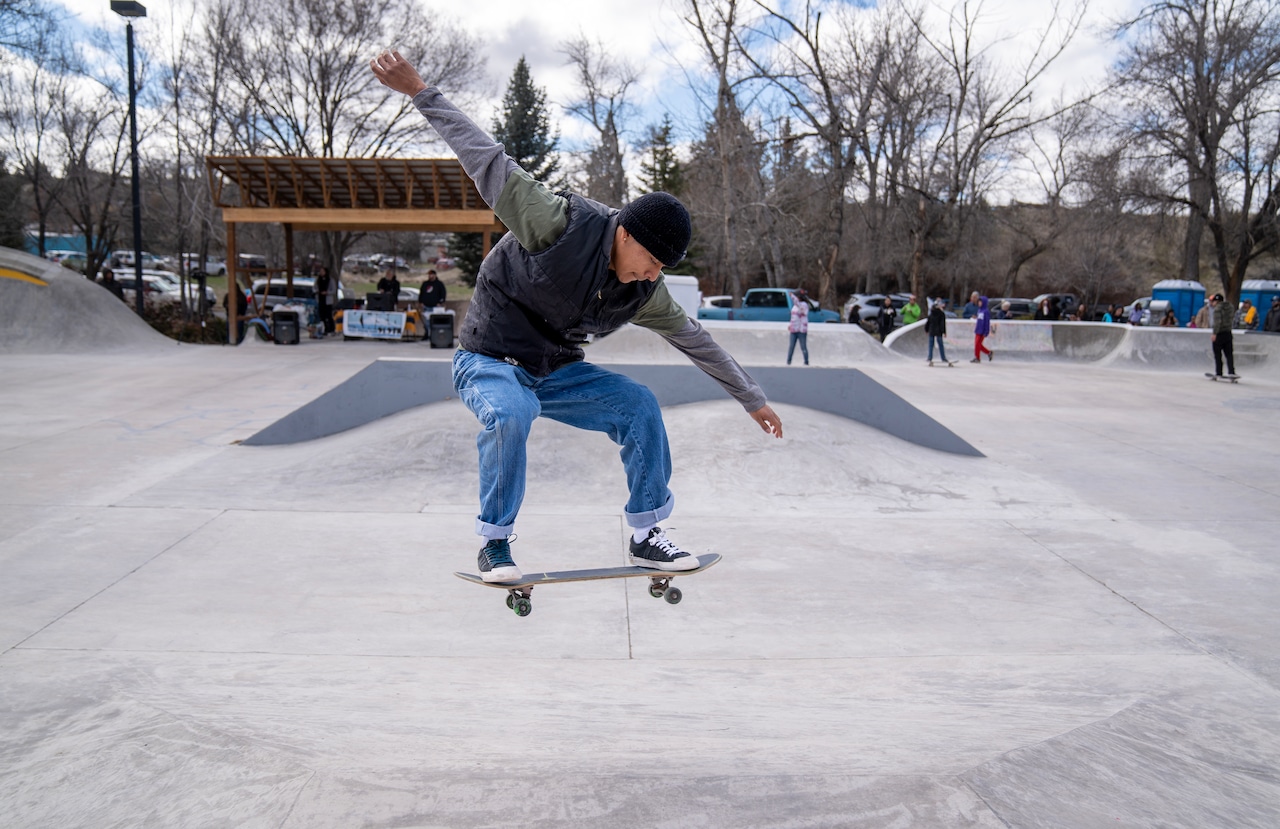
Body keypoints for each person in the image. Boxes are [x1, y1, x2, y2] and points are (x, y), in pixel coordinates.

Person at [369, 50, 783, 583]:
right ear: (625, 233)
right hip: (488, 360)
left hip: (555, 371)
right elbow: (487, 160)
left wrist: (752, 398)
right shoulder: (557, 222)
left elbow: (696, 341)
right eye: (651, 260)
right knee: (512, 413)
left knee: (638, 405)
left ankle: (647, 535)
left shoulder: (645, 291)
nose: (652, 274)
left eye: (662, 268)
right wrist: (420, 92)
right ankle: (494, 543)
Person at [1209, 293, 1236, 377]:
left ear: (1216, 301)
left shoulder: (1217, 309)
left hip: (1219, 334)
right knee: (1229, 354)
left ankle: (1219, 372)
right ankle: (1231, 372)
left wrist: (1214, 333)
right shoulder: (1230, 307)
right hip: (1228, 333)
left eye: (1213, 302)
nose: (1212, 304)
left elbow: (1217, 322)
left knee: (1218, 355)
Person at [787, 289, 810, 366]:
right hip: (794, 329)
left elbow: (799, 305)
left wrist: (792, 296)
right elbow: (793, 317)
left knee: (803, 346)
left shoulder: (804, 305)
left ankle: (806, 361)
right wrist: (790, 325)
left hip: (801, 330)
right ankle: (788, 361)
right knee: (791, 346)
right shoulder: (794, 306)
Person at [925, 298, 950, 366]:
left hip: (932, 330)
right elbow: (942, 324)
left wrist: (926, 329)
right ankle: (943, 358)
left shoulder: (931, 313)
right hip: (939, 331)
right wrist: (944, 332)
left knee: (931, 345)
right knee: (940, 345)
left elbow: (928, 322)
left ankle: (930, 357)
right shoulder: (941, 314)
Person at [971, 295, 993, 362]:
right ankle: (988, 353)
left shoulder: (986, 311)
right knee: (977, 344)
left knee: (978, 344)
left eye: (980, 302)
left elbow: (987, 322)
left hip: (982, 330)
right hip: (978, 329)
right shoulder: (979, 310)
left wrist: (986, 331)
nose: (979, 303)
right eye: (979, 302)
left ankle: (978, 357)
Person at [314, 264, 334, 337]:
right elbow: (314, 287)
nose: (321, 273)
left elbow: (333, 290)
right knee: (322, 315)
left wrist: (327, 292)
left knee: (328, 315)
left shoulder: (330, 280)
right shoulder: (318, 280)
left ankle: (331, 329)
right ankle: (324, 329)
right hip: (320, 299)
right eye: (320, 271)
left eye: (323, 271)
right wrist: (316, 291)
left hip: (327, 300)